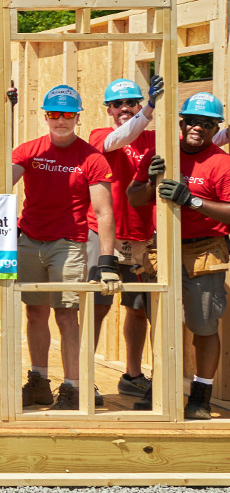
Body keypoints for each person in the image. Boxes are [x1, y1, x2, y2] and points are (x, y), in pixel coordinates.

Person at [12, 85, 119, 410]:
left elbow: (103, 212)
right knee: (34, 313)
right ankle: (39, 382)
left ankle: (72, 388)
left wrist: (107, 260)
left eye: (68, 114)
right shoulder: (29, 151)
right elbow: (0, 185)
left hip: (68, 244)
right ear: (46, 116)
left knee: (67, 314)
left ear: (77, 117)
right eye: (54, 114)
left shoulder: (91, 158)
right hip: (29, 239)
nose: (61, 120)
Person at [128, 92, 229, 420]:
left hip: (204, 251)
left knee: (203, 325)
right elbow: (135, 198)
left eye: (207, 124)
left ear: (216, 129)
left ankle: (200, 394)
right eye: (192, 122)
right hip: (164, 248)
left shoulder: (222, 163)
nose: (198, 128)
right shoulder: (161, 154)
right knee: (161, 324)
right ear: (181, 123)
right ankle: (161, 385)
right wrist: (149, 180)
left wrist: (193, 200)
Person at [87, 76, 164, 408]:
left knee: (137, 309)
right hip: (104, 237)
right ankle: (82, 379)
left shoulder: (154, 139)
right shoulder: (101, 136)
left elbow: (197, 144)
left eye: (130, 103)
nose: (124, 109)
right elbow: (123, 136)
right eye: (118, 104)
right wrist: (149, 108)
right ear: (108, 110)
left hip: (141, 239)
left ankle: (132, 377)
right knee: (96, 307)